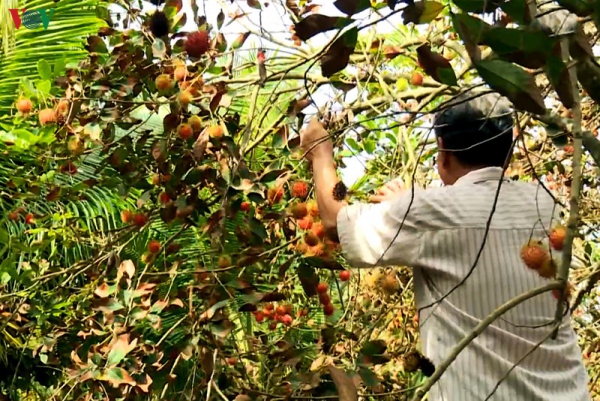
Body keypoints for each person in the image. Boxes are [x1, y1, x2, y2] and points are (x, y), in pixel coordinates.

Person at [300, 92, 591, 400]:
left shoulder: (428, 215)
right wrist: (411, 205)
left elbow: (335, 223)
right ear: (509, 151)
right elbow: (468, 221)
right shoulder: (544, 203)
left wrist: (321, 153)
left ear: (443, 151)